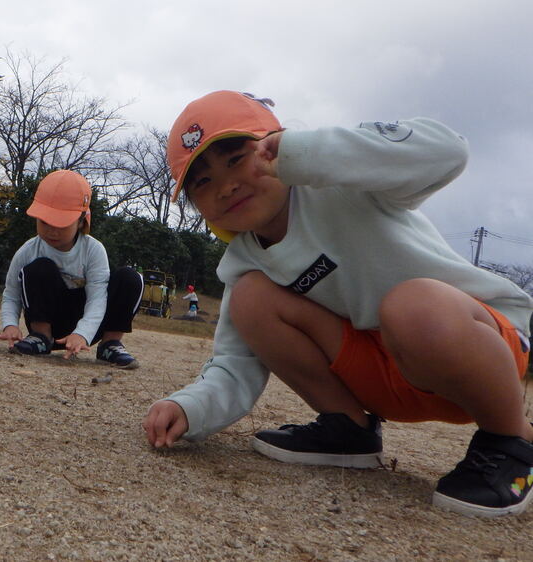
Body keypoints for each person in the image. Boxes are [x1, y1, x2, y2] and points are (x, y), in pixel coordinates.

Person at [142, 90, 533, 517]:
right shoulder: (243, 264)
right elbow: (235, 363)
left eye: (237, 159)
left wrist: (313, 154)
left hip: (481, 350)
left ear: (276, 145)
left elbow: (448, 150)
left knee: (413, 307)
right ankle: (349, 429)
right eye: (203, 181)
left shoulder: (343, 183)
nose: (227, 185)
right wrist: (190, 407)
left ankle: (513, 439)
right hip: (389, 374)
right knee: (251, 299)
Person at [0, 170, 144, 369]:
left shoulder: (93, 250)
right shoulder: (29, 250)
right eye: (44, 221)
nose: (52, 230)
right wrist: (10, 324)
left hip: (88, 323)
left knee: (131, 278)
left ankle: (110, 344)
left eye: (61, 224)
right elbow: (11, 293)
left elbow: (97, 298)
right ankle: (40, 337)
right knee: (39, 268)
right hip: (50, 319)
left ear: (81, 221)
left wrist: (82, 334)